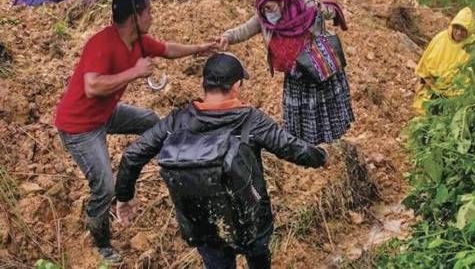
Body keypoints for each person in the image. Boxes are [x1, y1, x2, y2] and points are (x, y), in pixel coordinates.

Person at [114, 52, 327, 269]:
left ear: (202, 83)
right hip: (251, 219)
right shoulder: (251, 120)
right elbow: (291, 148)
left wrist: (124, 196)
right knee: (258, 257)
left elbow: (132, 155)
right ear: (236, 86)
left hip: (202, 222)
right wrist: (322, 157)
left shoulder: (176, 121)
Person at [54, 0, 219, 263]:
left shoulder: (139, 41)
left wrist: (201, 48)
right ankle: (101, 242)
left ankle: (166, 168)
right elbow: (92, 86)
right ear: (134, 17)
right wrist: (134, 72)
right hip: (79, 126)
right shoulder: (101, 43)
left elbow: (167, 50)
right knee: (105, 186)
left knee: (151, 122)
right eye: (149, 12)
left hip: (105, 113)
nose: (152, 17)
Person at [216, 0, 354, 145]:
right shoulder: (263, 19)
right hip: (296, 73)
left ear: (281, 1)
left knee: (324, 108)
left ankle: (333, 144)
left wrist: (321, 9)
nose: (267, 12)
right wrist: (226, 37)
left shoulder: (304, 6)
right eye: (263, 8)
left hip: (317, 67)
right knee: (303, 114)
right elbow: (243, 30)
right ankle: (306, 148)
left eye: (270, 7)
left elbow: (332, 12)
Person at [413, 7, 475, 113]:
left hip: (456, 96)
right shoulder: (440, 38)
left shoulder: (473, 46)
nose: (458, 33)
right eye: (457, 28)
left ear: (469, 31)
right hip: (432, 87)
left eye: (463, 30)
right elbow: (425, 62)